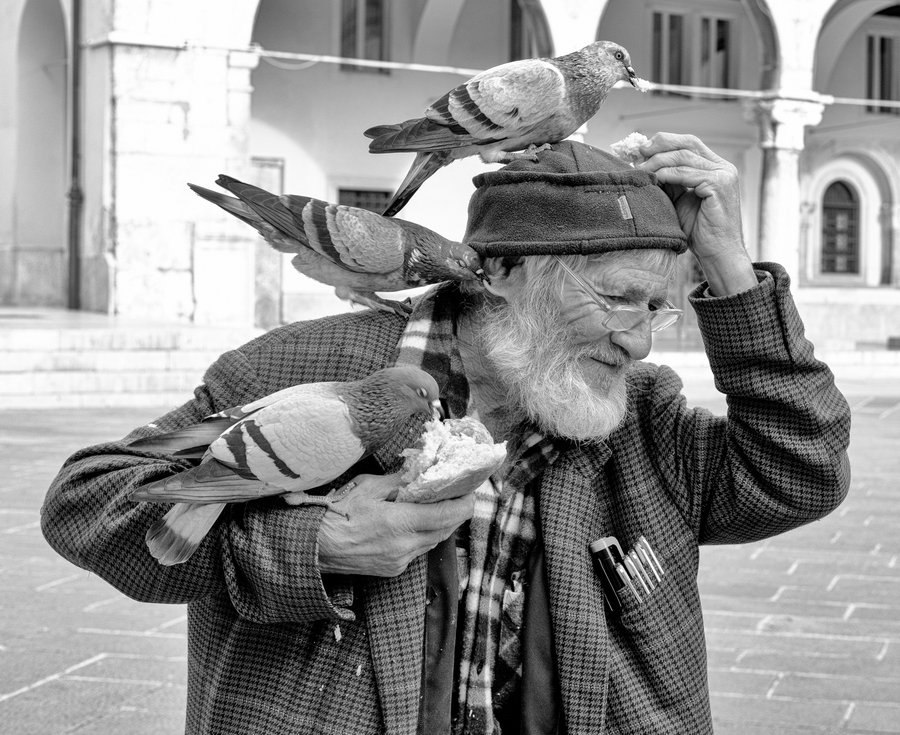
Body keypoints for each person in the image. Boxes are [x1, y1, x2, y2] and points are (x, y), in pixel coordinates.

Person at [41, 133, 851, 735]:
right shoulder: (301, 368)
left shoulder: (642, 419)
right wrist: (311, 544)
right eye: (619, 300)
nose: (641, 343)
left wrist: (734, 275)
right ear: (500, 276)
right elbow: (88, 506)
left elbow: (803, 471)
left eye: (662, 308)